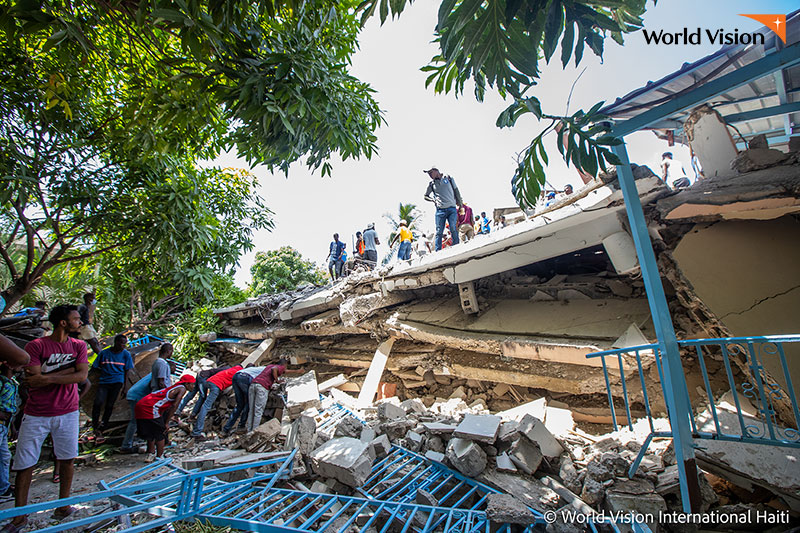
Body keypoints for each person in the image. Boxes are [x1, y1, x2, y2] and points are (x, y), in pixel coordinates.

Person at [5, 304, 89, 531]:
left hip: (68, 411)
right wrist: (67, 375)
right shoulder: (37, 346)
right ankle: (19, 516)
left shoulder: (79, 346)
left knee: (68, 459)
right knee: (25, 464)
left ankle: (63, 506)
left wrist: (47, 378)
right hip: (37, 413)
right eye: (76, 319)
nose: (80, 322)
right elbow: (33, 377)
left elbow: (81, 375)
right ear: (63, 323)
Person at [135, 374, 194, 462]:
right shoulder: (182, 389)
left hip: (142, 405)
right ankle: (160, 456)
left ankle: (150, 454)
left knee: (151, 431)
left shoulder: (174, 387)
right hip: (151, 407)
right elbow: (174, 406)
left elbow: (164, 406)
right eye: (193, 384)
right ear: (187, 384)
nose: (194, 386)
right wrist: (167, 422)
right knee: (161, 432)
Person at [91, 334, 133, 444]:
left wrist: (125, 386)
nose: (123, 345)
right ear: (116, 342)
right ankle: (95, 425)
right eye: (121, 343)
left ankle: (103, 426)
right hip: (104, 381)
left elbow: (127, 371)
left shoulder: (126, 355)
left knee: (110, 405)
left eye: (124, 343)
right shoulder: (104, 353)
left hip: (117, 382)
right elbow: (95, 367)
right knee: (98, 403)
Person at [191, 364, 242, 439]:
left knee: (203, 400)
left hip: (209, 381)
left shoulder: (231, 369)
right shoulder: (239, 373)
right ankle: (196, 432)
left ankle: (193, 416)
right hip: (216, 385)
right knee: (206, 407)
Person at [423, 167, 462, 251]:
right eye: (428, 174)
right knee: (439, 231)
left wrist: (460, 203)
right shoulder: (432, 184)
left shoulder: (448, 178)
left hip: (452, 208)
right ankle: (438, 250)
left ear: (436, 171)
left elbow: (456, 190)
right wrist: (433, 200)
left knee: (453, 227)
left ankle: (456, 246)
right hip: (440, 210)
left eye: (430, 172)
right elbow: (425, 196)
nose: (429, 175)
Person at [222, 365, 264, 435]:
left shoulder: (248, 370)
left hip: (236, 377)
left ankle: (226, 428)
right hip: (245, 378)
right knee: (249, 403)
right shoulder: (264, 369)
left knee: (239, 405)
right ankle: (241, 425)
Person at [246, 361, 287, 432]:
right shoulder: (280, 367)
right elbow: (274, 369)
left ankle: (249, 430)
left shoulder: (268, 366)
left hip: (253, 384)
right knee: (258, 410)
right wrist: (277, 381)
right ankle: (253, 431)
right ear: (284, 365)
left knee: (251, 409)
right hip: (262, 387)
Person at [0, 364, 19, 503]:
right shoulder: (1, 382)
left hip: (4, 425)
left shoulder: (13, 382)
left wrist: (12, 427)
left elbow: (11, 408)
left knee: (5, 457)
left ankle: (3, 488)